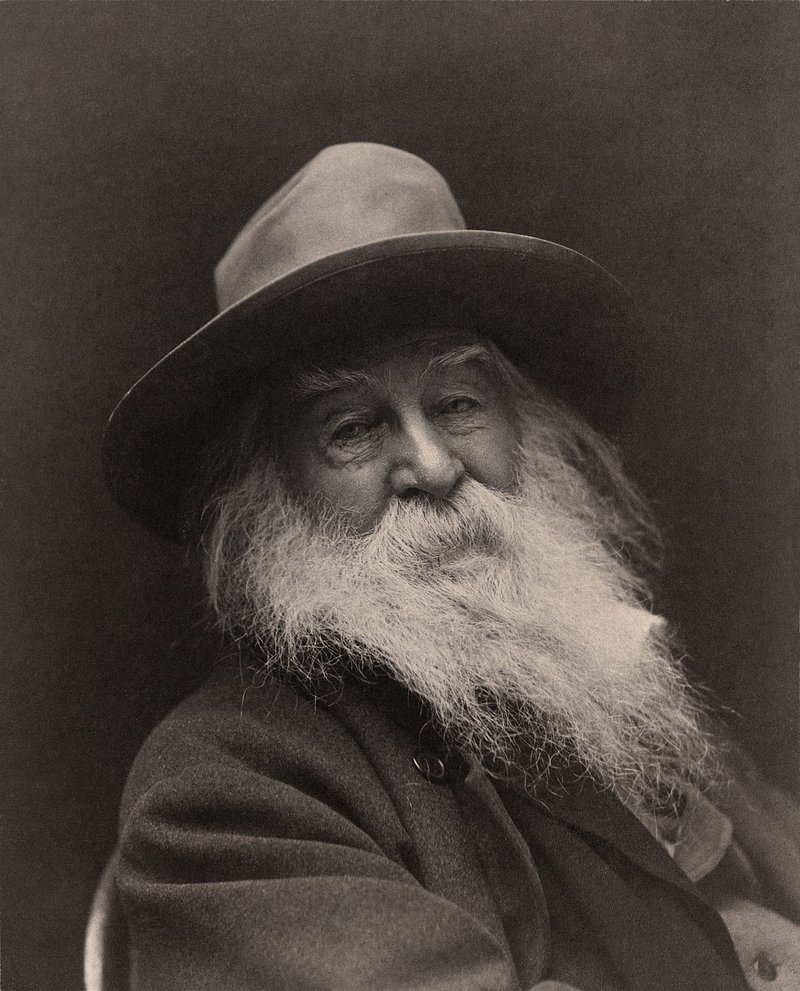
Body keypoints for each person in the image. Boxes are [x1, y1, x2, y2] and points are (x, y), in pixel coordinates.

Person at [102, 143, 800, 990]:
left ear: (523, 427)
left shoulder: (607, 684)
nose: (433, 466)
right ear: (267, 494)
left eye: (458, 403)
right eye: (352, 429)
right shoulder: (221, 790)